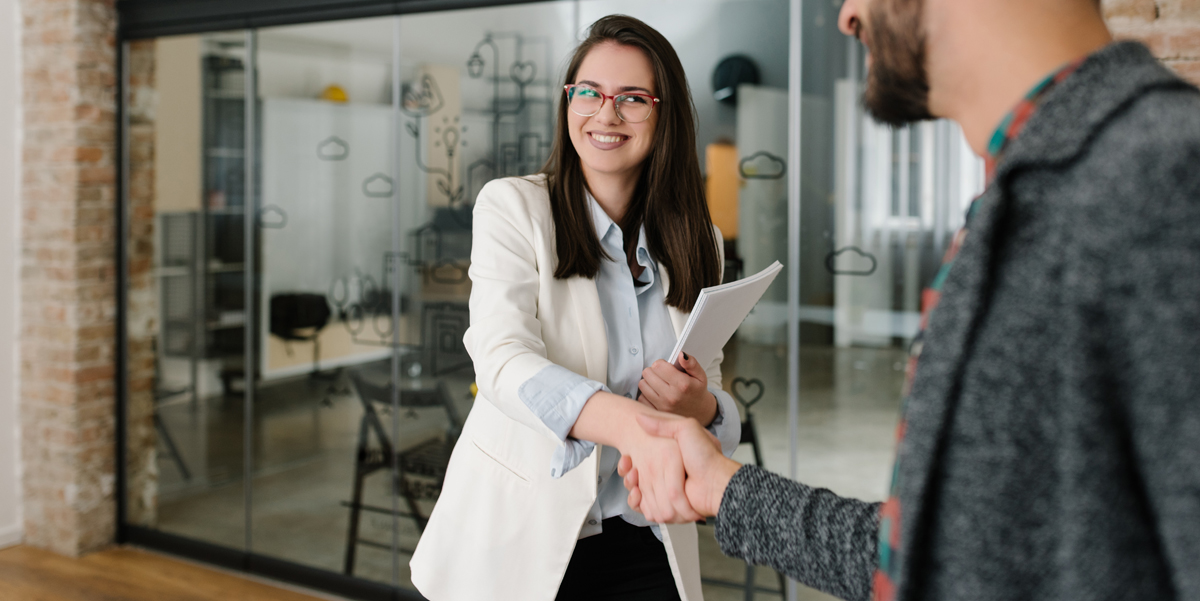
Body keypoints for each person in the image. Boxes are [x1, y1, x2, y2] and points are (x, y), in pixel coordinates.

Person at [619, 0, 1200, 600]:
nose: (846, 16)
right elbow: (944, 557)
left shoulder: (1166, 178)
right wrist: (721, 488)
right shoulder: (1031, 196)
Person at [409, 14, 741, 601]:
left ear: (665, 116)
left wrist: (704, 405)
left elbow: (704, 385)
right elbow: (501, 359)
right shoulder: (512, 208)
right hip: (526, 540)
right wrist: (635, 426)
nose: (605, 114)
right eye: (588, 93)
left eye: (633, 98)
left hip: (649, 539)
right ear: (569, 103)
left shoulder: (699, 240)